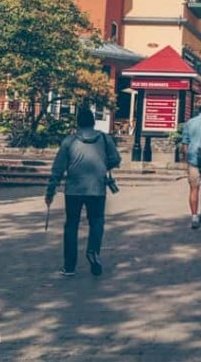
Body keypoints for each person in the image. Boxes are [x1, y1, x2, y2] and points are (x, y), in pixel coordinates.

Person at [45, 107, 121, 277]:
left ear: (78, 122)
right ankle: (93, 250)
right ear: (93, 122)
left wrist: (50, 190)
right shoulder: (103, 138)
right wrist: (103, 166)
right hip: (97, 189)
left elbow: (58, 168)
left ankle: (69, 266)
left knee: (71, 225)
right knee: (97, 221)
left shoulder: (69, 141)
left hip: (73, 189)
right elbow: (116, 158)